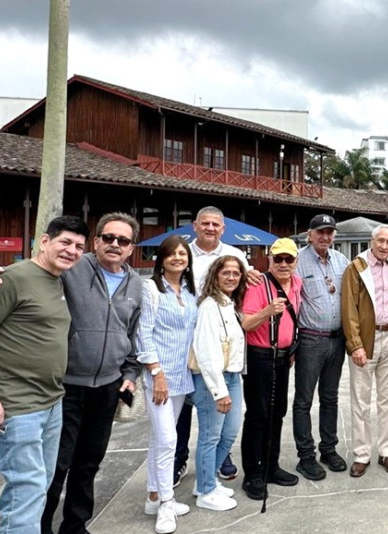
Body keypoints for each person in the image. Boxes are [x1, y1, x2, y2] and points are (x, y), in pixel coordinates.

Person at [0, 213, 143, 534]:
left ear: (131, 247)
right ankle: (40, 527)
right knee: (55, 466)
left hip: (108, 385)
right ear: (96, 242)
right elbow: (29, 274)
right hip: (67, 386)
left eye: (122, 241)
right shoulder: (74, 266)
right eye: (108, 238)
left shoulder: (136, 283)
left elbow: (133, 332)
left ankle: (75, 526)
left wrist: (131, 372)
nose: (114, 245)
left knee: (89, 462)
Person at [0, 215, 89, 534]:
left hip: (51, 403)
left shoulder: (57, 279)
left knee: (36, 488)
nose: (72, 250)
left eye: (79, 246)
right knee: (27, 495)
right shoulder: (11, 278)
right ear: (44, 241)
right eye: (65, 242)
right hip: (18, 408)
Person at [175, 206, 260, 487]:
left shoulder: (234, 256)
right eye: (205, 223)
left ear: (223, 229)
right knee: (185, 410)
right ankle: (181, 462)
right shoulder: (183, 253)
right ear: (195, 226)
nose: (210, 228)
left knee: (222, 426)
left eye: (216, 224)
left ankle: (212, 469)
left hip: (223, 343)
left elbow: (246, 284)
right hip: (186, 337)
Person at [137, 235, 199, 534]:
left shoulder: (188, 292)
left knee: (161, 439)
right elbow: (143, 333)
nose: (178, 258)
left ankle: (153, 495)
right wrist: (156, 372)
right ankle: (166, 503)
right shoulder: (151, 289)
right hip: (159, 377)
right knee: (168, 441)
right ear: (161, 259)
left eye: (182, 254)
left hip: (181, 376)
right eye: (171, 254)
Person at [341, 225, 388, 477]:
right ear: (372, 241)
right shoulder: (356, 267)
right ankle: (361, 454)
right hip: (366, 339)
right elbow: (348, 308)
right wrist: (355, 344)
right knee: (360, 399)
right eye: (380, 241)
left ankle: (387, 452)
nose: (384, 246)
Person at [239, 238, 303, 499]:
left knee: (277, 412)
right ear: (270, 260)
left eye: (289, 259)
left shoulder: (297, 283)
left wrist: (292, 348)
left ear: (296, 262)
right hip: (260, 356)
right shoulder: (257, 285)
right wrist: (267, 311)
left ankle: (271, 466)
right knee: (258, 415)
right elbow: (246, 324)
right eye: (278, 259)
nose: (284, 264)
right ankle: (252, 474)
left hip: (283, 356)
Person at [292, 214, 350, 481]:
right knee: (304, 400)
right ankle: (306, 456)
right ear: (310, 234)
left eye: (330, 232)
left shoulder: (341, 261)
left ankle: (329, 448)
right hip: (310, 340)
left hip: (337, 340)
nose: (325, 237)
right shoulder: (297, 261)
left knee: (330, 397)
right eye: (320, 232)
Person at [190, 256, 247, 511]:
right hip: (213, 378)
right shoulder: (209, 306)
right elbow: (207, 350)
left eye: (236, 273)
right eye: (226, 273)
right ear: (215, 275)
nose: (232, 277)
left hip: (232, 375)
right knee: (211, 436)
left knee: (229, 432)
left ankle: (207, 478)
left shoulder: (230, 304)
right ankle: (205, 490)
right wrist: (219, 391)